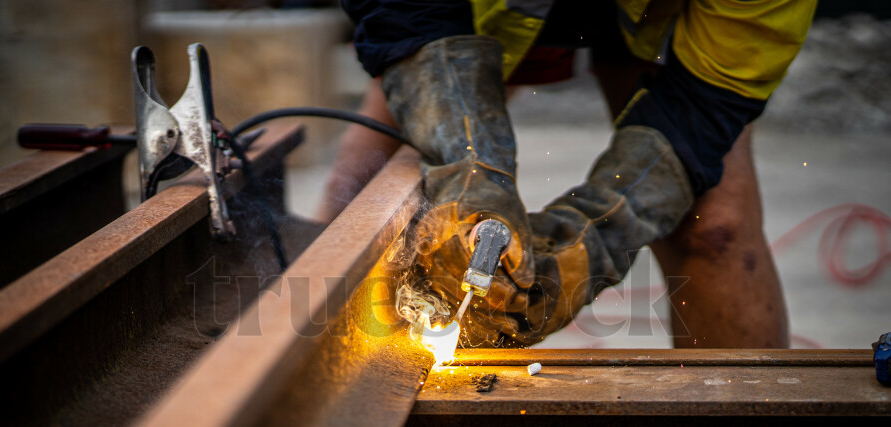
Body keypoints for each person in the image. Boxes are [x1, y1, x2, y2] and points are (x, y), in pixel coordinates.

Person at [324, 0, 817, 348]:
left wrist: (588, 245)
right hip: (472, 9)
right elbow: (403, 15)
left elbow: (705, 105)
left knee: (714, 226)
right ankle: (320, 343)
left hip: (657, 16)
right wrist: (470, 171)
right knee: (374, 181)